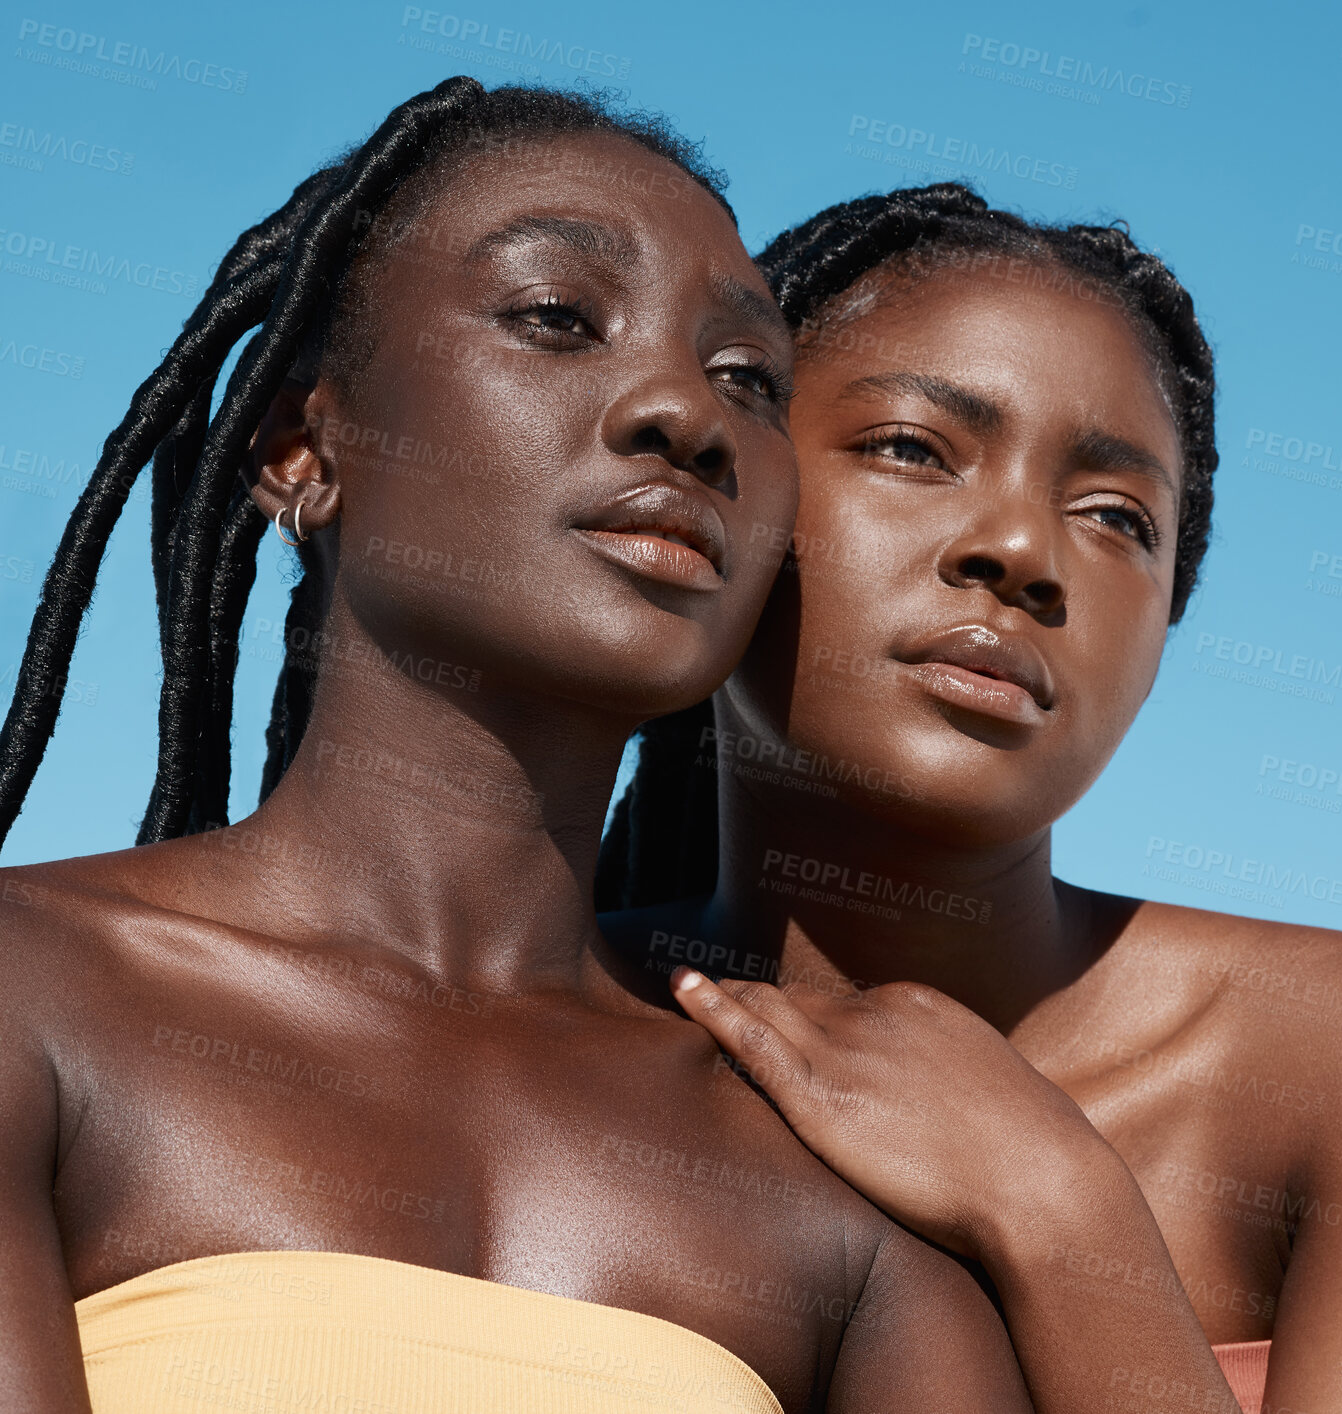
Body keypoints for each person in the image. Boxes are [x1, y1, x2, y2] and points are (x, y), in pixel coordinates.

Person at [0, 93, 1033, 1413]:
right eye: (556, 317)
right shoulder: (30, 994)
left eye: (746, 381)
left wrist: (1061, 1220)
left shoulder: (833, 1152)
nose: (685, 411)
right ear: (304, 446)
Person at [599, 183, 1342, 1414]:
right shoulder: (535, 1027)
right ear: (732, 491)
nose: (1023, 552)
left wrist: (1057, 1207)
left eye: (1114, 518)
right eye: (912, 449)